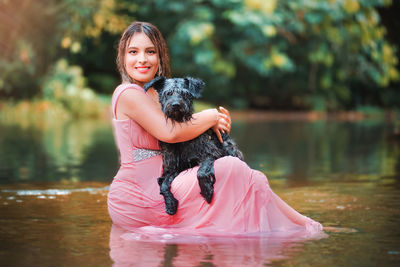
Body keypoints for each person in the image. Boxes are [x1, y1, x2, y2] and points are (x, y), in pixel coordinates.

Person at [107, 21, 323, 235]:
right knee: (231, 168)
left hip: (169, 186)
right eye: (133, 52)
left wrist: (216, 125)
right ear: (122, 57)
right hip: (141, 195)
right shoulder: (127, 93)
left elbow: (185, 129)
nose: (142, 59)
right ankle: (295, 228)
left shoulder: (160, 94)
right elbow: (170, 133)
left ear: (160, 56)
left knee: (250, 177)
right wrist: (211, 116)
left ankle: (299, 225)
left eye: (150, 51)